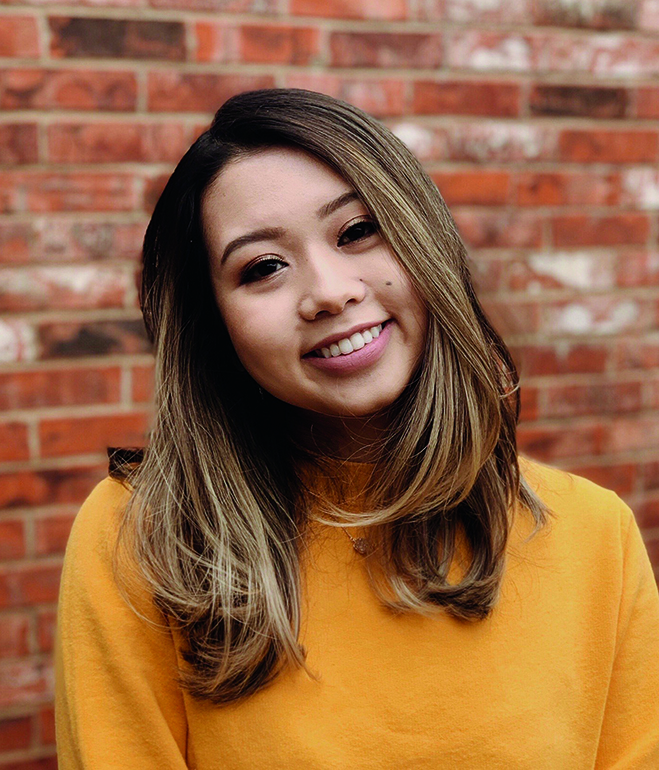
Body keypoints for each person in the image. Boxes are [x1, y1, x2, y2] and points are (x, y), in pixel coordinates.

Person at [55, 88, 659, 768]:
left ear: (422, 241)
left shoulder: (594, 538)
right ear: (214, 328)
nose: (329, 291)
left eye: (356, 231)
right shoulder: (142, 538)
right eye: (263, 268)